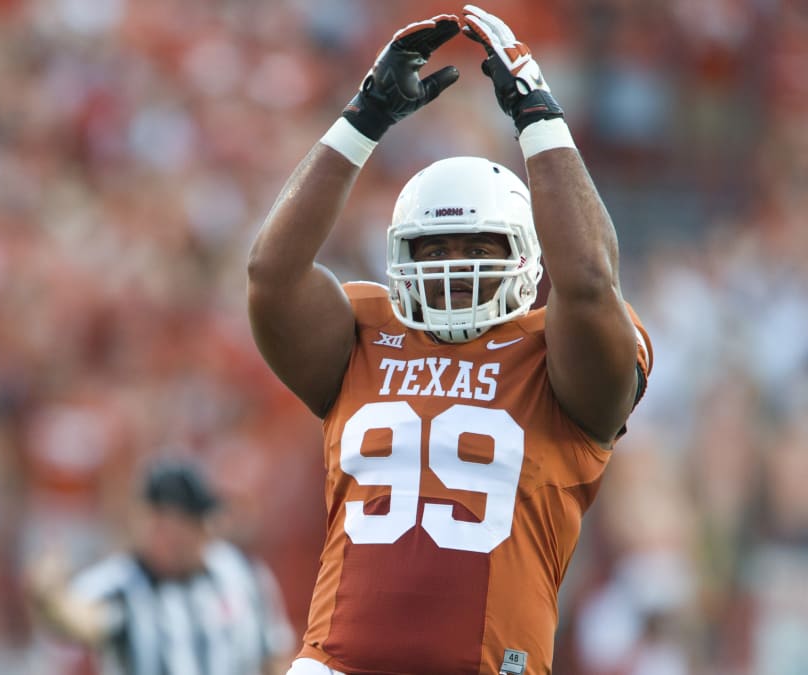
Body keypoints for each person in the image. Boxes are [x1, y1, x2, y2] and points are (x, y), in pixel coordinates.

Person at [246, 6, 653, 675]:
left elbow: (585, 278)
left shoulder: (556, 355)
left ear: (527, 255)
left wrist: (536, 112)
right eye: (433, 249)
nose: (455, 267)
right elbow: (271, 273)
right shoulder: (363, 332)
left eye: (477, 247)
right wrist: (364, 117)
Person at [27, 459, 294, 675]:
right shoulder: (123, 585)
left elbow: (272, 657)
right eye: (187, 522)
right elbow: (79, 620)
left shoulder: (241, 573)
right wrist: (48, 596)